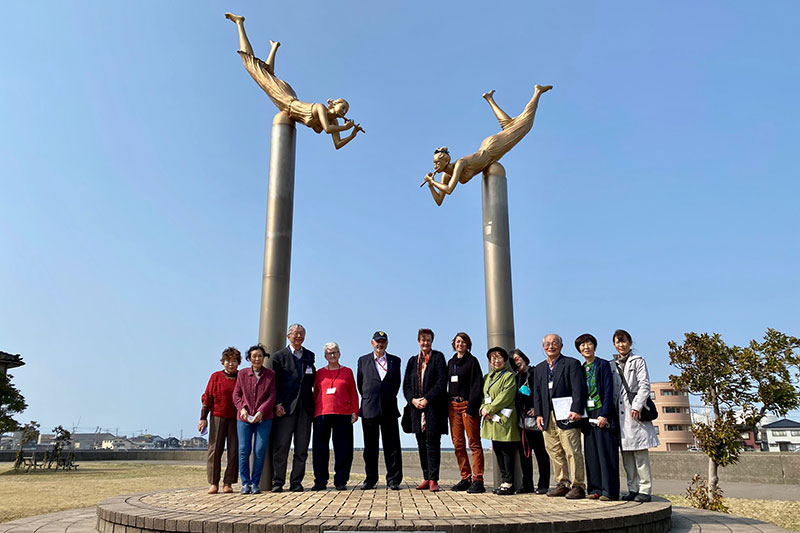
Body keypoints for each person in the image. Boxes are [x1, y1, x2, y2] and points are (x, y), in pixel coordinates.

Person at [224, 13, 364, 150]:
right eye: (343, 107)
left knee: (265, 75)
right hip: (286, 99)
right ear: (334, 104)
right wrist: (345, 127)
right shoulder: (321, 108)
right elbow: (327, 129)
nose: (344, 112)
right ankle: (240, 23)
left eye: (346, 110)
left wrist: (352, 134)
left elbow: (337, 144)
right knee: (251, 66)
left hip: (288, 99)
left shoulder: (333, 121)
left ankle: (273, 47)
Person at [421, 84, 552, 205]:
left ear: (446, 161)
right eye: (434, 163)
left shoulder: (459, 164)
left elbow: (449, 189)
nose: (435, 166)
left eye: (437, 162)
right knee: (509, 126)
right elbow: (439, 200)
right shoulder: (446, 176)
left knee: (524, 126)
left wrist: (432, 181)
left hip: (491, 149)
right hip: (486, 148)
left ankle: (537, 91)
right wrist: (430, 185)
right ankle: (489, 99)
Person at [532, 333, 587, 499]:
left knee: (572, 450)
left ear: (561, 346)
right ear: (543, 347)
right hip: (547, 416)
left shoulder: (571, 363)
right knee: (554, 451)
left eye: (555, 343)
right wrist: (539, 413)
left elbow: (579, 389)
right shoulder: (540, 368)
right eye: (547, 343)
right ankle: (562, 483)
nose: (551, 346)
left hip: (567, 414)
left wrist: (577, 409)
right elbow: (537, 393)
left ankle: (578, 485)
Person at [612, 329, 659, 502]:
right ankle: (632, 488)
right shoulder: (612, 364)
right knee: (627, 456)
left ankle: (645, 490)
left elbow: (644, 385)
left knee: (640, 455)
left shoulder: (638, 361)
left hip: (635, 412)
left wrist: (637, 406)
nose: (621, 344)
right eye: (617, 342)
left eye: (623, 341)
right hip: (620, 415)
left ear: (630, 343)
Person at [270, 324, 316, 492]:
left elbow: (312, 380)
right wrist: (278, 403)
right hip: (285, 408)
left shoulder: (310, 355)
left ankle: (296, 482)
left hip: (305, 408)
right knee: (281, 447)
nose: (299, 337)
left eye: (302, 334)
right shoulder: (278, 357)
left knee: (302, 448)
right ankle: (278, 481)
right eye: (296, 334)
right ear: (289, 336)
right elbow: (274, 383)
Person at [356, 331, 403, 490]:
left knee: (392, 446)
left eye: (383, 341)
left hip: (389, 407)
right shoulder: (363, 360)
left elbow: (397, 383)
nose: (380, 344)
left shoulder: (395, 360)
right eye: (377, 341)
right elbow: (360, 384)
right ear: (372, 343)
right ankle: (370, 479)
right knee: (370, 447)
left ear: (387, 344)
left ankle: (394, 480)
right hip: (370, 408)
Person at [575, 334, 620, 501]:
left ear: (594, 346)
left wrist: (605, 414)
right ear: (579, 350)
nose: (586, 347)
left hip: (602, 411)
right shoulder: (580, 368)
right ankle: (595, 489)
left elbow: (609, 391)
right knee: (591, 453)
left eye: (589, 344)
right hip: (587, 414)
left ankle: (610, 491)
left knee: (606, 452)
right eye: (582, 345)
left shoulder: (603, 365)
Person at [403, 328, 448, 492]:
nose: (425, 343)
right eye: (423, 340)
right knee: (421, 443)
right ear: (418, 341)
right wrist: (413, 400)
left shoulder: (438, 358)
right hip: (416, 409)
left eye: (428, 340)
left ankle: (434, 479)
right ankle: (426, 476)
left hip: (433, 408)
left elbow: (442, 382)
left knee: (433, 443)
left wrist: (427, 398)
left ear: (432, 341)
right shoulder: (412, 361)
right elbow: (406, 385)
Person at [312, 342, 359, 491]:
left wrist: (355, 411)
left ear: (339, 354)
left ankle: (340, 480)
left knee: (343, 449)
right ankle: (320, 481)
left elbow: (353, 392)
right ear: (325, 356)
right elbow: (315, 394)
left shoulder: (347, 371)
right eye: (329, 353)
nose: (332, 355)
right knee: (320, 449)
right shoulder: (319, 373)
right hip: (322, 413)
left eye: (335, 352)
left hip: (343, 413)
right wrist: (313, 412)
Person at [446, 332, 486, 493]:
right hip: (453, 407)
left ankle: (478, 479)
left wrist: (471, 408)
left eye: (463, 342)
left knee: (474, 443)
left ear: (467, 344)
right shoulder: (451, 362)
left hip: (468, 405)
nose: (460, 344)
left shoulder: (472, 361)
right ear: (454, 344)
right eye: (457, 341)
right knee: (458, 444)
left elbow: (477, 385)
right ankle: (465, 477)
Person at [233, 345, 276, 494]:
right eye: (254, 356)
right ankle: (245, 483)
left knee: (259, 450)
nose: (257, 359)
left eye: (259, 356)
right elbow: (236, 395)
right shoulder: (242, 374)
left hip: (264, 418)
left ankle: (255, 483)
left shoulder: (270, 375)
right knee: (244, 450)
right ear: (249, 358)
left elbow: (272, 397)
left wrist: (261, 412)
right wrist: (242, 409)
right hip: (244, 418)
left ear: (264, 357)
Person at [199, 347, 241, 494]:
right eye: (228, 361)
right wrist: (203, 418)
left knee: (234, 450)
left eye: (234, 361)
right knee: (215, 450)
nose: (231, 364)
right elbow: (207, 398)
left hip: (236, 418)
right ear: (223, 362)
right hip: (218, 416)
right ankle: (213, 482)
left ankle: (228, 482)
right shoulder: (215, 377)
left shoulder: (241, 377)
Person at [480, 347, 519, 495]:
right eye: (493, 358)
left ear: (504, 359)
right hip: (491, 420)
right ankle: (504, 481)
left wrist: (490, 409)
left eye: (499, 358)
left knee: (507, 450)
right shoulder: (487, 377)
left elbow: (505, 396)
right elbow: (484, 396)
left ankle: (509, 482)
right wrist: (483, 408)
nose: (496, 361)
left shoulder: (509, 376)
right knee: (497, 450)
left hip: (504, 418)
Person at [510, 349, 550, 495]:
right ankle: (527, 485)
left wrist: (537, 409)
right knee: (525, 456)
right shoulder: (515, 378)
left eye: (519, 357)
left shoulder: (535, 373)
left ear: (524, 358)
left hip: (536, 420)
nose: (517, 361)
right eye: (514, 360)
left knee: (541, 454)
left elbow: (542, 393)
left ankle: (543, 484)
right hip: (522, 422)